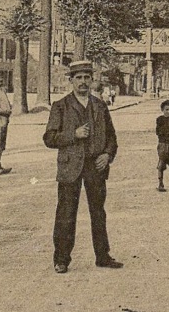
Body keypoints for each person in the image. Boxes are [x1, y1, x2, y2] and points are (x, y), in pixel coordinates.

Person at [42, 60, 123, 273]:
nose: (83, 82)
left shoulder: (100, 105)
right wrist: (73, 135)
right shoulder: (60, 106)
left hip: (96, 166)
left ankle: (103, 256)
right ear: (71, 81)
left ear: (92, 80)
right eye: (78, 78)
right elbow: (49, 138)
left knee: (98, 212)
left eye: (87, 77)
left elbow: (112, 137)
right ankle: (61, 259)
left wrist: (107, 155)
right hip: (71, 168)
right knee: (66, 213)